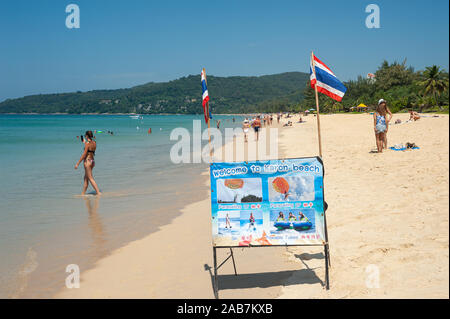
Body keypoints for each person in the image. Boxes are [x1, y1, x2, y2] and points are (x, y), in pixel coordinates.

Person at [75, 131, 101, 195]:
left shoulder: (87, 144)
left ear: (86, 136)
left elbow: (84, 154)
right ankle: (82, 194)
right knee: (86, 178)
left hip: (88, 162)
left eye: (85, 135)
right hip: (92, 161)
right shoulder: (94, 143)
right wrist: (85, 143)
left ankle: (98, 192)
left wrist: (77, 163)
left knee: (90, 178)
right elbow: (90, 149)